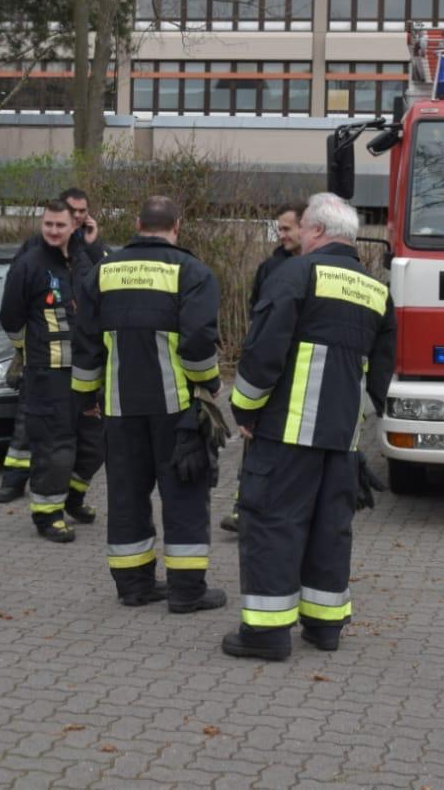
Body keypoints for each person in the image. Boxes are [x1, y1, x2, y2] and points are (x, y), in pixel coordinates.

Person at [222, 192, 396, 660]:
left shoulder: (294, 275)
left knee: (273, 524)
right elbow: (382, 377)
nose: (295, 238)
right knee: (330, 529)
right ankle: (324, 627)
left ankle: (265, 634)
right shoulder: (376, 289)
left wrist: (245, 411)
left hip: (286, 434)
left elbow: (263, 353)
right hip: (341, 440)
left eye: (299, 230)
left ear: (316, 231)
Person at [71, 196, 226, 613]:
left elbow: (85, 344)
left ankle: (134, 587)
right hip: (176, 410)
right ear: (177, 226)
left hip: (119, 407)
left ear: (138, 224)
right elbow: (197, 344)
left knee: (126, 495)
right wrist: (209, 385)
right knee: (185, 495)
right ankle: (187, 592)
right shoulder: (191, 271)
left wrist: (86, 396)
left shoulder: (103, 271)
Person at [0, 199, 103, 541]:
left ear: (75, 225)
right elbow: (10, 318)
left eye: (60, 225)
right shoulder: (29, 265)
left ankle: (72, 497)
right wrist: (27, 351)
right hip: (48, 373)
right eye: (48, 225)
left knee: (95, 442)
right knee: (55, 446)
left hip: (87, 371)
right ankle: (47, 514)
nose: (54, 231)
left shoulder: (85, 259)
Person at [221, 200, 307, 534]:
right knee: (255, 438)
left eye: (286, 229)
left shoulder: (318, 266)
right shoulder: (271, 267)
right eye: (279, 229)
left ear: (305, 227)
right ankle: (245, 508)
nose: (281, 235)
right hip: (272, 367)